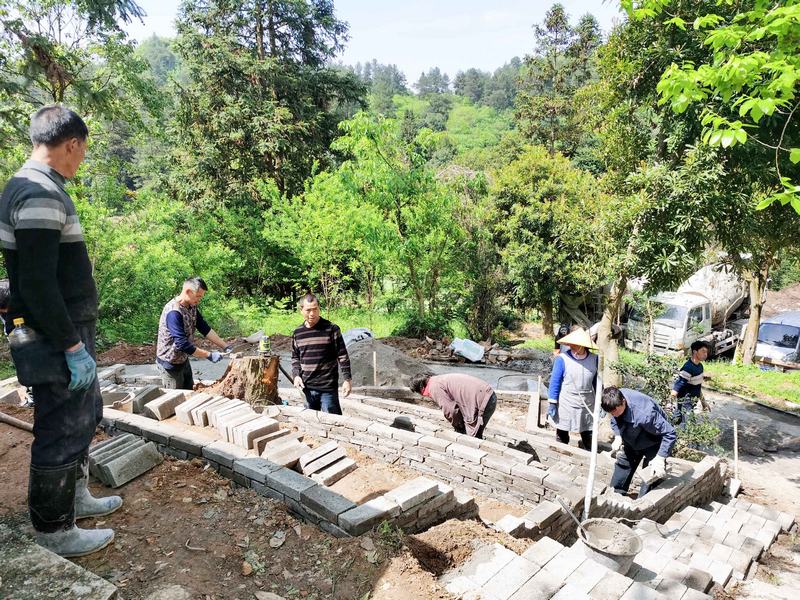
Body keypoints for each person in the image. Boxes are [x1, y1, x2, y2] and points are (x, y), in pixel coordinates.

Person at [0, 105, 120, 556]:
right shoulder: (39, 193)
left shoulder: (28, 186)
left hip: (64, 328)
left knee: (85, 414)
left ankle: (75, 498)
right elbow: (36, 282)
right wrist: (71, 344)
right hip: (56, 333)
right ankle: (54, 530)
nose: (81, 161)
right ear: (72, 144)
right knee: (61, 424)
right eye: (83, 151)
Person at [156, 277, 231, 390]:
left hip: (183, 360)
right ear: (188, 291)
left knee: (189, 392)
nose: (199, 300)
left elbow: (204, 328)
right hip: (170, 365)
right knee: (176, 398)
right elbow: (182, 344)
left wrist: (225, 346)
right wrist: (209, 355)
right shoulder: (173, 312)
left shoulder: (191, 306)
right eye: (198, 296)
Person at [602, 386, 677, 498]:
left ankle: (644, 503)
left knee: (651, 474)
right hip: (631, 437)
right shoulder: (613, 398)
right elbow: (615, 419)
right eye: (611, 413)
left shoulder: (646, 414)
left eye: (615, 412)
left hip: (654, 439)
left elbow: (670, 433)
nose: (614, 415)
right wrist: (618, 435)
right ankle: (614, 496)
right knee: (623, 464)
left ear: (623, 402)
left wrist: (660, 457)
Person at [291, 293, 352, 414]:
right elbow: (295, 357)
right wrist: (296, 376)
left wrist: (347, 379)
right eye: (308, 310)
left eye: (315, 309)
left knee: (332, 421)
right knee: (310, 422)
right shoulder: (298, 333)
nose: (312, 314)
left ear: (319, 308)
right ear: (301, 310)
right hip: (307, 388)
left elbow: (342, 355)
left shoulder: (331, 329)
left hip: (327, 388)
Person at [547, 327, 598, 449]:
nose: (571, 346)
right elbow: (555, 382)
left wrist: (601, 402)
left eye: (574, 344)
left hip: (587, 403)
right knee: (562, 432)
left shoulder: (595, 359)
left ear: (582, 345)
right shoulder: (562, 359)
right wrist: (552, 403)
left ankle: (588, 452)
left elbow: (597, 382)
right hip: (566, 402)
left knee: (588, 433)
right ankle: (561, 451)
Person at [409, 372, 497, 439]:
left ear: (421, 388)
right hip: (487, 394)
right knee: (472, 433)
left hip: (485, 400)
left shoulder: (433, 387)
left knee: (472, 438)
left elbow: (450, 410)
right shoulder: (437, 380)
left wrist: (458, 425)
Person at [0, 278, 34, 407]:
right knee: (23, 362)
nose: (5, 314)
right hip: (16, 335)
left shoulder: (24, 300)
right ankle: (32, 394)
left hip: (31, 333)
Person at [671, 340, 711, 425]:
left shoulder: (700, 366)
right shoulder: (688, 368)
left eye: (706, 352)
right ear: (695, 352)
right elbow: (678, 385)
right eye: (703, 351)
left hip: (692, 401)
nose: (705, 354)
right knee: (689, 424)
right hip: (686, 401)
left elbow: (697, 386)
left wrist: (703, 402)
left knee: (676, 419)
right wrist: (669, 402)